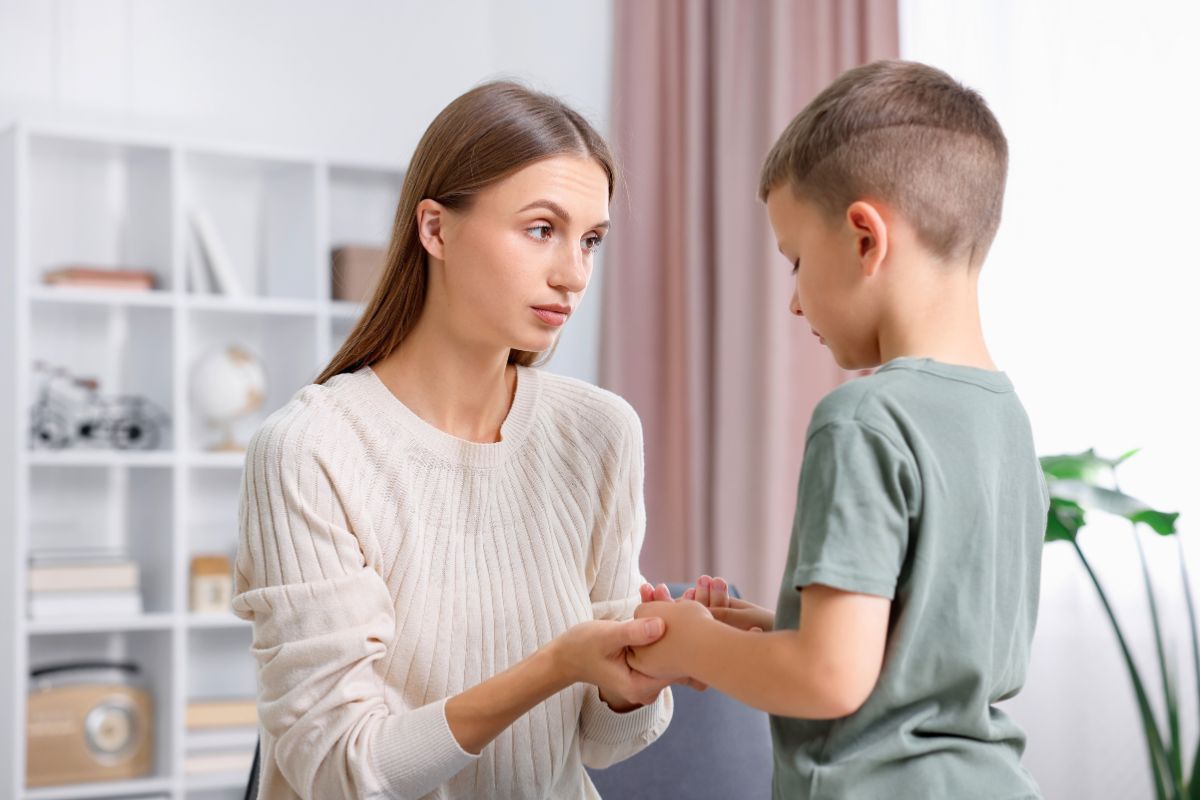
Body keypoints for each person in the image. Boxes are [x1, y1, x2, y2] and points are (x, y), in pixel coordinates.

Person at [232, 81, 676, 800]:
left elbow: (600, 742)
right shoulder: (311, 450)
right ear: (435, 230)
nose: (573, 274)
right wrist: (557, 664)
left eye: (590, 240)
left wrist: (635, 679)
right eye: (541, 229)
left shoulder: (600, 432)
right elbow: (343, 768)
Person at [629, 60, 1048, 800]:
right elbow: (919, 653)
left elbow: (829, 678)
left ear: (863, 238)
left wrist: (691, 642)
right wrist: (760, 625)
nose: (794, 304)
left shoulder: (864, 418)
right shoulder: (1004, 418)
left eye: (795, 260)